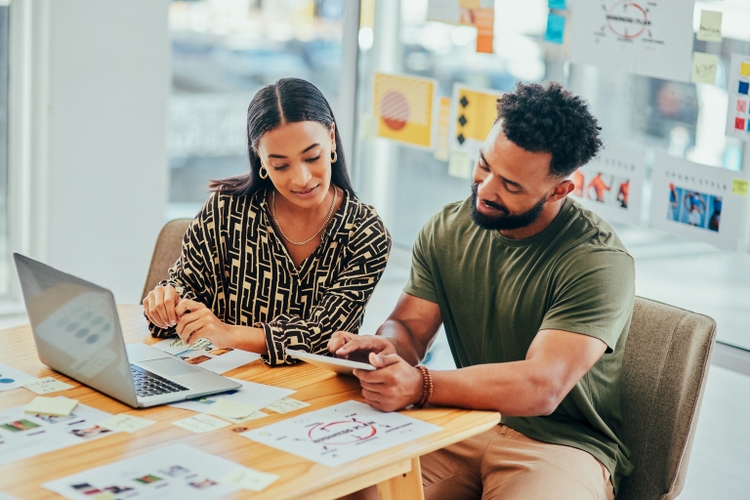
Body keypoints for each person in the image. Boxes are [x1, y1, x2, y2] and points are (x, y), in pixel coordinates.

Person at [331, 82, 634, 500]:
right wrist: (384, 350)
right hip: (464, 421)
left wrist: (420, 385)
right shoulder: (447, 228)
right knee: (344, 489)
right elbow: (409, 328)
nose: (487, 189)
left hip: (560, 444)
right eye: (484, 165)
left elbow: (540, 385)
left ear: (559, 189)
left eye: (511, 186)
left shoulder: (597, 261)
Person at [143, 78, 391, 365]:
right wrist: (167, 304)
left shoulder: (365, 233)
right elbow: (186, 289)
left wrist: (226, 333)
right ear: (260, 159)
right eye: (280, 165)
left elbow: (324, 338)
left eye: (312, 157)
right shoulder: (225, 210)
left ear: (332, 138)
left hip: (313, 396)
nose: (302, 179)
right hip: (222, 380)